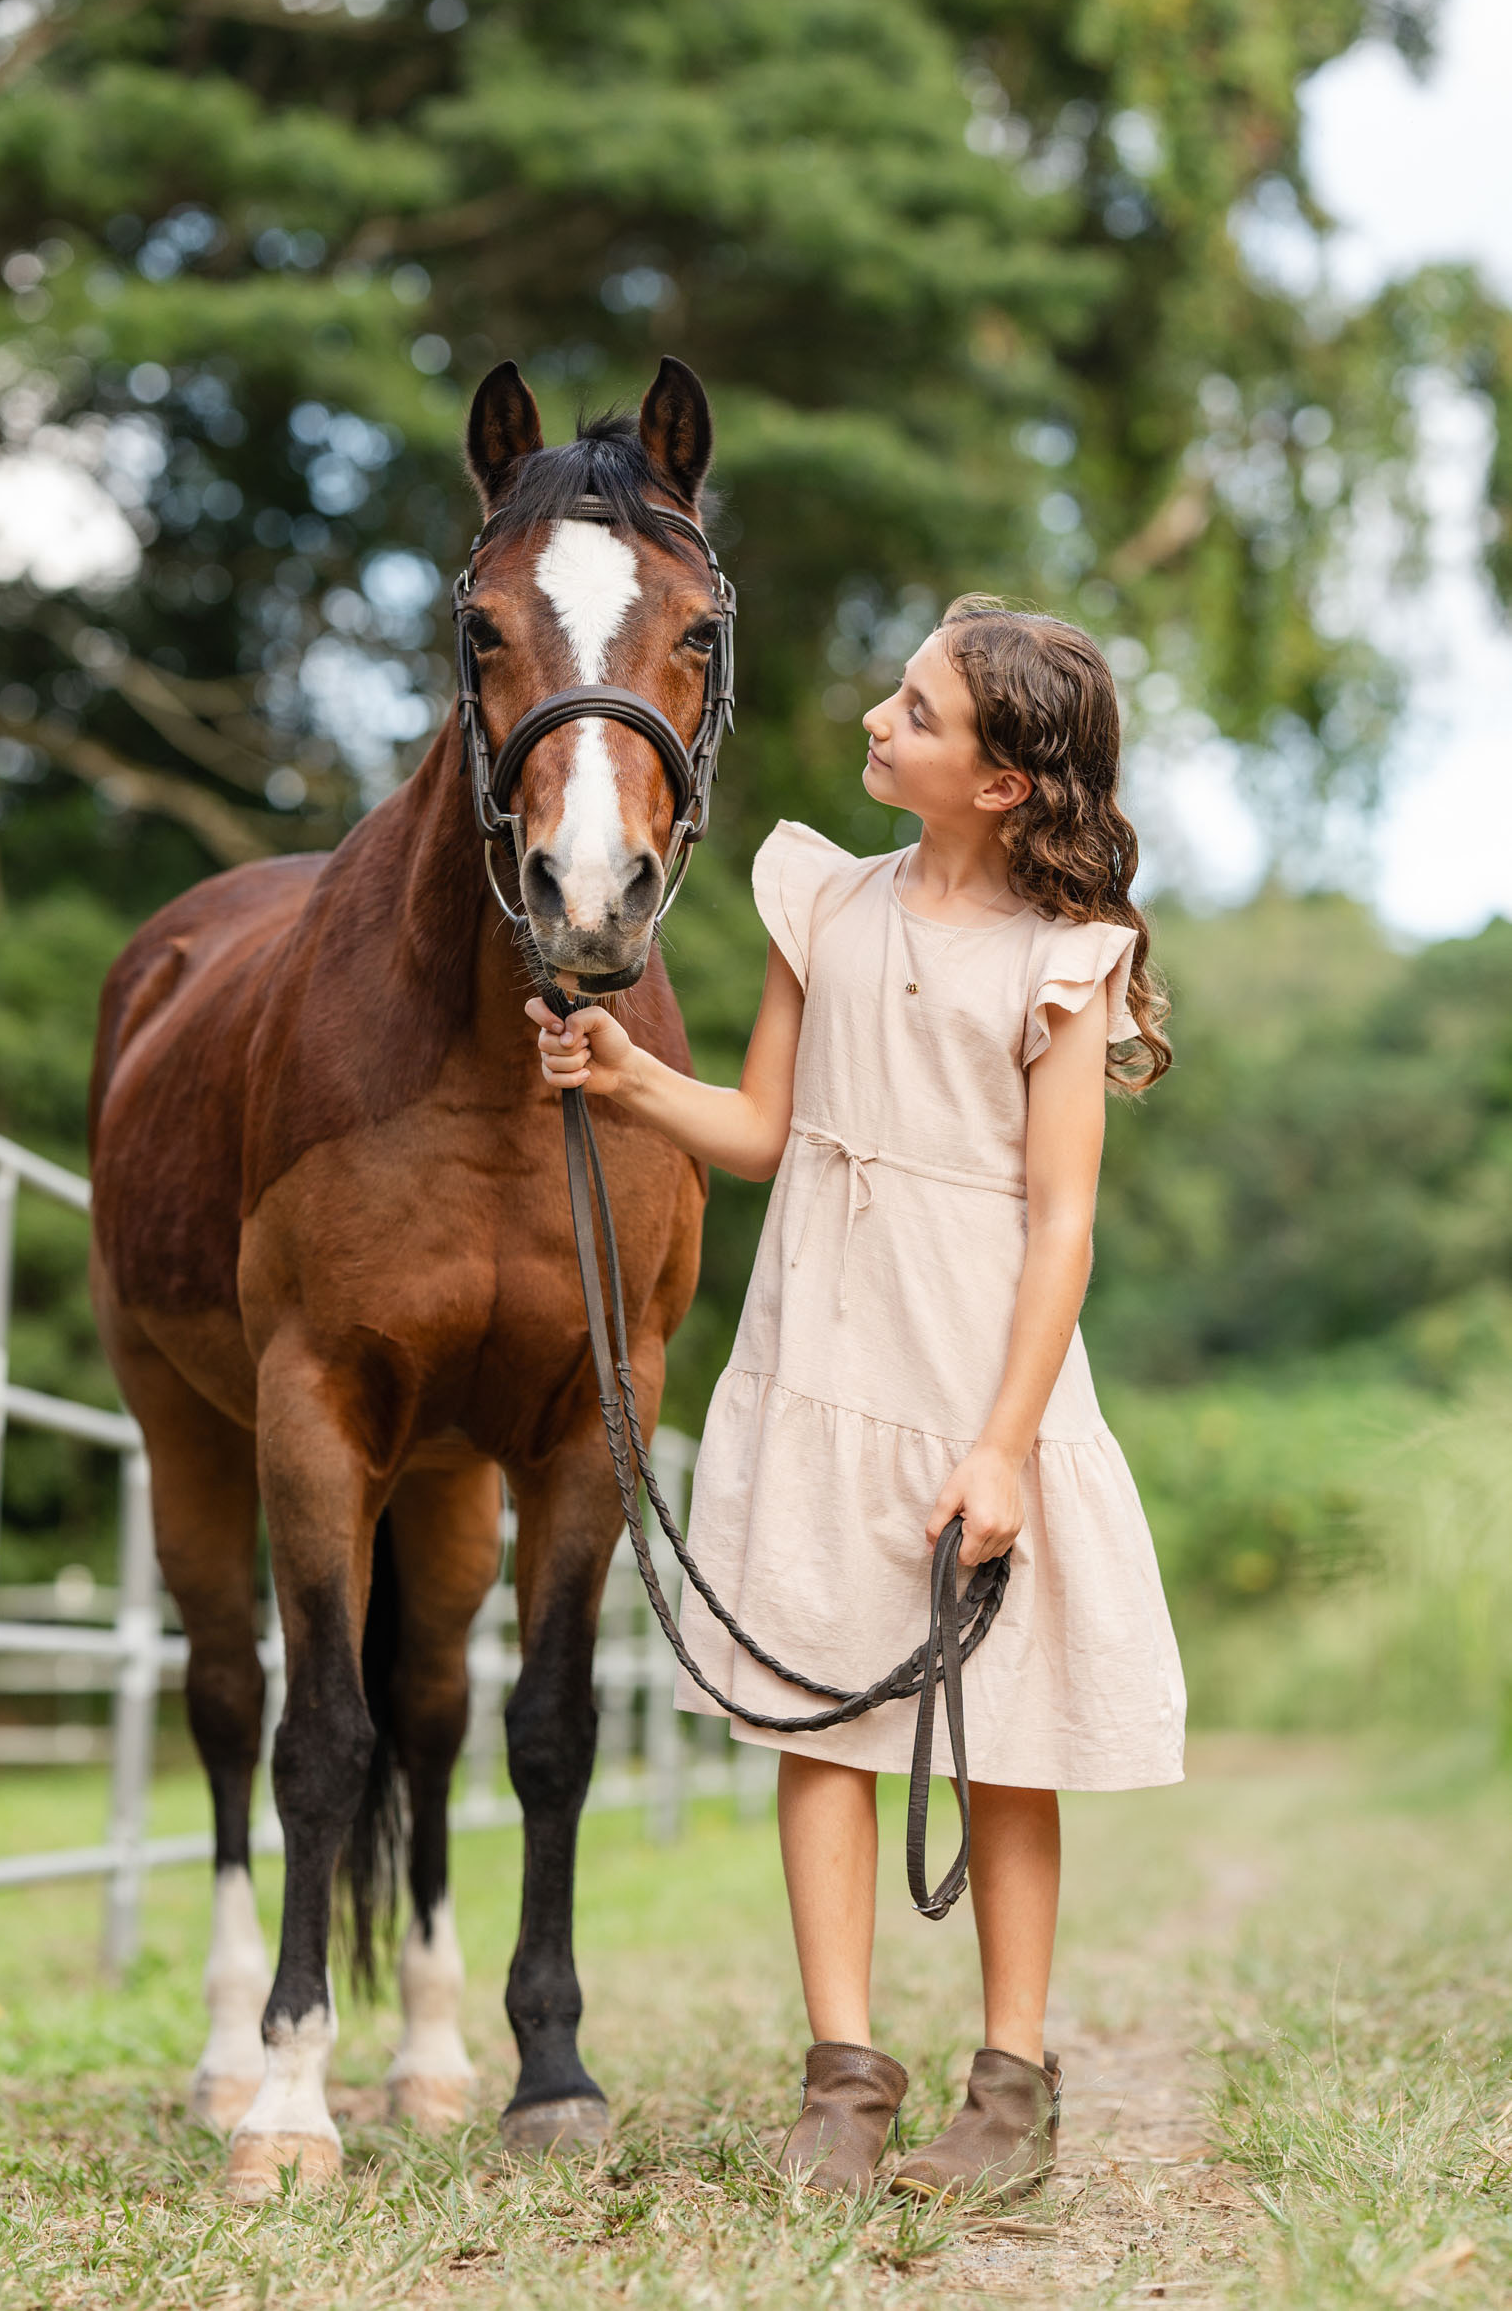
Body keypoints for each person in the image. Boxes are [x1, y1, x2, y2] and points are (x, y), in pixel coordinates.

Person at [527, 595, 1185, 2205]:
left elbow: (1065, 1223)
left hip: (977, 1372)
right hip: (822, 1356)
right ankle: (843, 2073)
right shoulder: (822, 901)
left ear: (1004, 784)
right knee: (812, 1717)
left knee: (1002, 1741)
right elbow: (761, 1127)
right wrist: (624, 1077)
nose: (877, 720)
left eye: (917, 713)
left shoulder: (1062, 960)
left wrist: (1005, 1446)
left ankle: (1013, 2080)